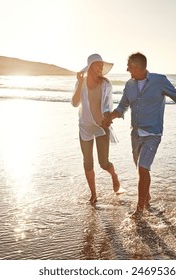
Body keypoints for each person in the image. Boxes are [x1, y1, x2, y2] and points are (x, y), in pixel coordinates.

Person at [104, 52, 176, 219]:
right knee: (141, 169)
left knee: (143, 168)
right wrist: (109, 118)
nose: (127, 69)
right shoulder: (129, 85)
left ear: (138, 67)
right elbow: (122, 107)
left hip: (153, 133)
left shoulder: (159, 81)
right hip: (135, 134)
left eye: (129, 66)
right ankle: (146, 197)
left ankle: (140, 209)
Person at [72, 54, 120, 205]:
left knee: (103, 163)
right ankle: (93, 194)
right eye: (98, 65)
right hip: (85, 126)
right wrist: (80, 83)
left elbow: (107, 105)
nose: (101, 68)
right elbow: (74, 103)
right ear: (90, 66)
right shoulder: (82, 82)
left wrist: (109, 118)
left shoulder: (106, 84)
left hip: (101, 126)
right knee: (87, 162)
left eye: (102, 65)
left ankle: (114, 175)